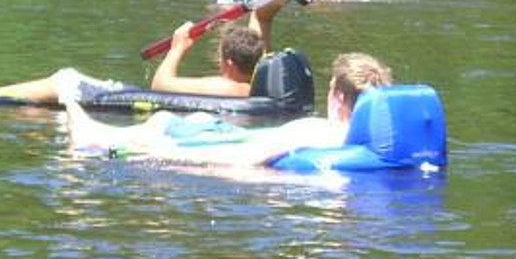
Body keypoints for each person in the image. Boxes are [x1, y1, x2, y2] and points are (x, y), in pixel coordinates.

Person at [0, 0, 296, 105]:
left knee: (65, 78)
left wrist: (177, 48)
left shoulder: (226, 88)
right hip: (145, 103)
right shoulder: (258, 81)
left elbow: (161, 86)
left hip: (133, 102)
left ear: (229, 63)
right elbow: (262, 20)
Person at [64, 53, 394, 166]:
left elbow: (244, 158)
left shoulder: (317, 131)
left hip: (227, 142)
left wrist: (164, 156)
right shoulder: (385, 141)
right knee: (196, 118)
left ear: (338, 97)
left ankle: (90, 135)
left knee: (164, 121)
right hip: (236, 135)